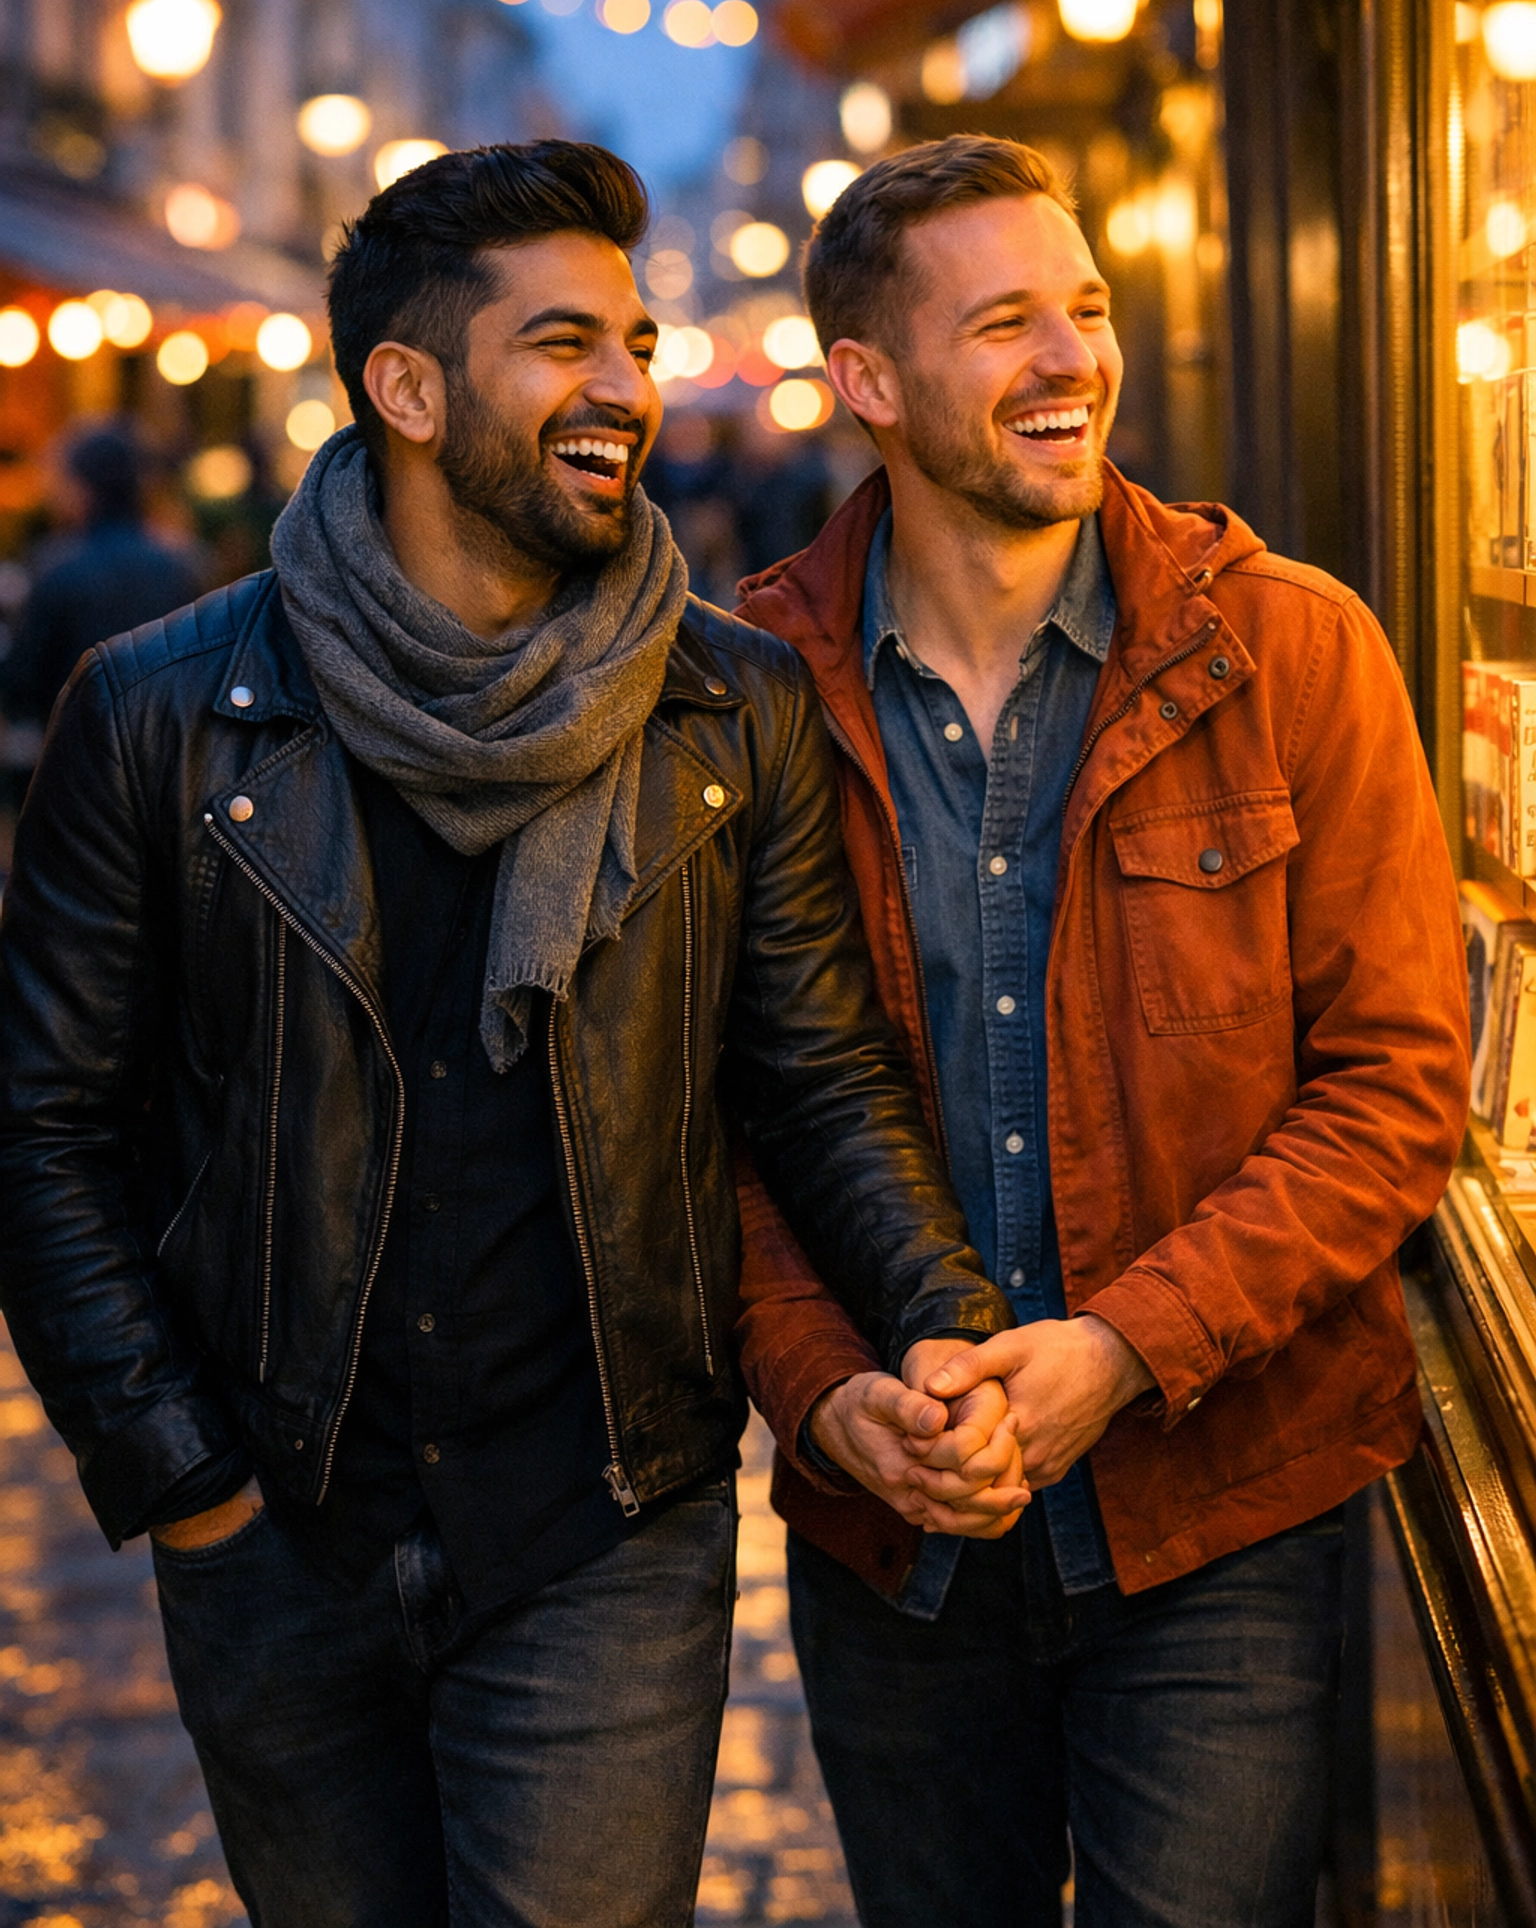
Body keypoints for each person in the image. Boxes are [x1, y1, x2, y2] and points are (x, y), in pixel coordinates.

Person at [0, 142, 1028, 1926]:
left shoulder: (732, 699)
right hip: (278, 1524)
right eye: (564, 343)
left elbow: (814, 1074)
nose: (625, 387)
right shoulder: (164, 710)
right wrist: (183, 1475)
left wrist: (948, 1315)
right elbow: (40, 1124)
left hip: (605, 1520)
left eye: (631, 341)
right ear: (408, 388)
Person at [732, 135, 1471, 1928]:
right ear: (870, 383)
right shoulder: (740, 686)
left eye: (1085, 307)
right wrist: (826, 1391)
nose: (1072, 358)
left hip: (1218, 1503)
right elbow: (696, 1114)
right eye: (1004, 322)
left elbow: (1393, 1089)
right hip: (895, 1528)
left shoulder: (1291, 647)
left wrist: (1122, 1348)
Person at [0, 423, 201, 725]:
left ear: (83, 488)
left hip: (78, 745)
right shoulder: (181, 566)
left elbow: (23, 683)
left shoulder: (59, 568)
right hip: (163, 744)